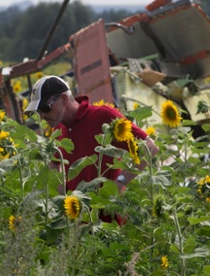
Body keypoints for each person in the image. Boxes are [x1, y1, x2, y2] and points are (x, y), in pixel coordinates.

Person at [25, 75, 159, 198]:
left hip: (109, 217)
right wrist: (62, 193)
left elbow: (150, 147)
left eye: (45, 108)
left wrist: (120, 182)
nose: (42, 115)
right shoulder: (58, 130)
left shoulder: (102, 116)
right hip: (79, 218)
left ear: (64, 98)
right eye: (38, 111)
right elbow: (54, 164)